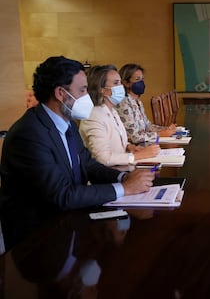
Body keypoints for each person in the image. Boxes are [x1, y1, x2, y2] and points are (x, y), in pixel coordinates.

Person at [0, 56, 155, 213]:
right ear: (61, 93)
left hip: (68, 217)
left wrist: (123, 178)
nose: (88, 95)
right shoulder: (28, 135)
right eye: (82, 90)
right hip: (39, 230)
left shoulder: (68, 123)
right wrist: (124, 188)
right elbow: (62, 195)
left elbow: (89, 165)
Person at [79, 65, 160, 166]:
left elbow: (118, 140)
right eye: (116, 83)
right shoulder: (93, 117)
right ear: (102, 89)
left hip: (124, 169)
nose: (121, 87)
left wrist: (130, 147)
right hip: (110, 176)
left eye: (120, 82)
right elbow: (103, 158)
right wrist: (137, 156)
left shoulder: (112, 111)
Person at [116, 63, 176, 145]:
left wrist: (166, 129)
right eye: (137, 79)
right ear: (126, 83)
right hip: (134, 148)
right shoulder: (123, 104)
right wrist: (160, 134)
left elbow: (148, 126)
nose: (141, 82)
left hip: (145, 144)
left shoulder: (137, 101)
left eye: (142, 79)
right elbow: (134, 137)